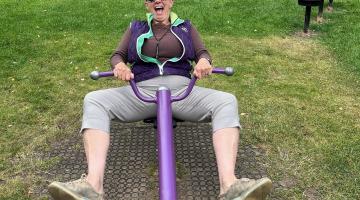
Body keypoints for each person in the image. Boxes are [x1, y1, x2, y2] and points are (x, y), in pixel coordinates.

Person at [48, 0, 272, 199]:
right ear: (146, 5)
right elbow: (117, 55)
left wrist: (204, 62)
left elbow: (202, 52)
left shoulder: (186, 26)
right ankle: (92, 187)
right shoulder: (135, 27)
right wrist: (119, 66)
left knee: (227, 101)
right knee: (94, 100)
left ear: (171, 2)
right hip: (142, 90)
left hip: (182, 91)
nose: (157, 1)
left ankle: (230, 186)